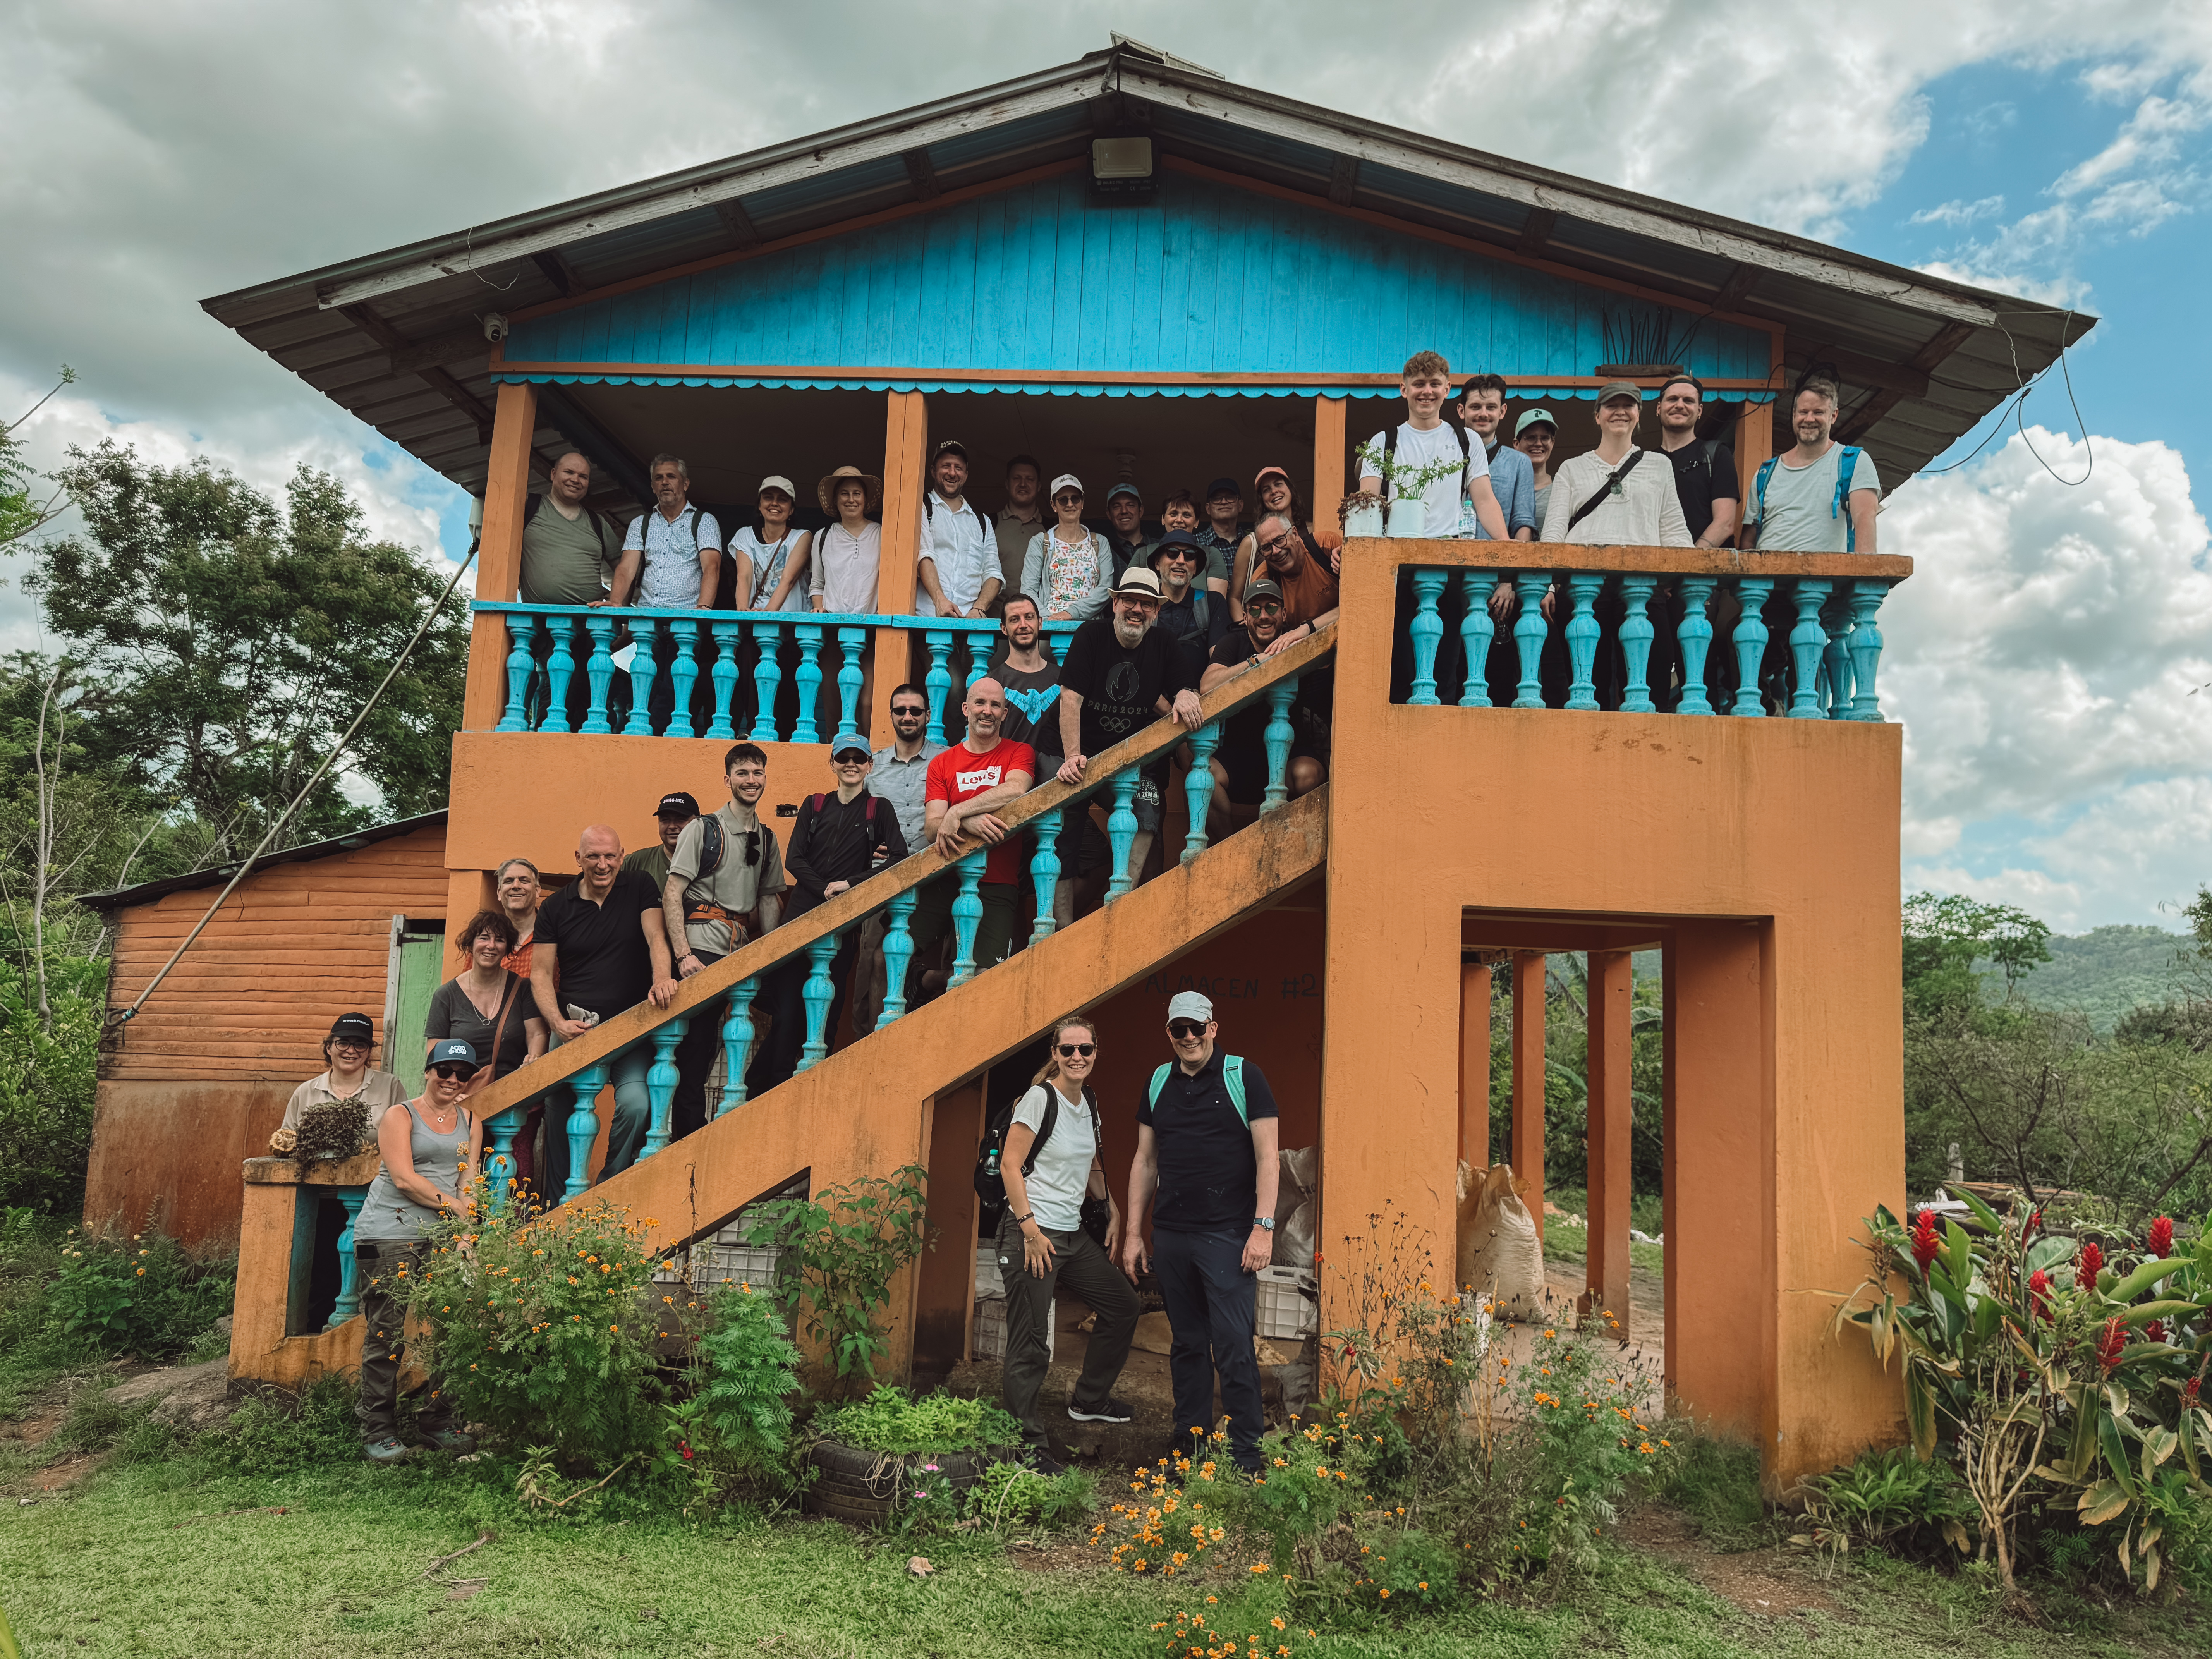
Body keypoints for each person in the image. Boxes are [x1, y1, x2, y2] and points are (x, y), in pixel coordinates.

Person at [1120, 993, 1279, 1475]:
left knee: (1232, 1344)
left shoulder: (1243, 1077)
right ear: (1168, 1033)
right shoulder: (1159, 1080)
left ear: (1213, 1027)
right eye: (1178, 1030)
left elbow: (1268, 1157)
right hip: (1172, 1234)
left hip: (1229, 1236)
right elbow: (1145, 1160)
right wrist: (1134, 1233)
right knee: (1187, 1344)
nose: (1188, 1037)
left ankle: (1246, 1455)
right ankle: (1188, 1449)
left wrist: (1263, 1228)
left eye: (1196, 1028)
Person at [998, 1014, 1139, 1463]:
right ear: (1055, 1054)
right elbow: (1009, 1166)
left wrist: (1110, 1204)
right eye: (1068, 1050)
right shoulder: (1040, 1100)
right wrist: (1030, 1229)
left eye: (1085, 1050)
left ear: (1096, 1052)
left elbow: (1090, 1161)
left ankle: (1090, 1400)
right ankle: (1025, 1445)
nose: (1077, 1057)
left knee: (1122, 1305)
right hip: (1032, 1231)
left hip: (1071, 1234)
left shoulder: (1089, 1101)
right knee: (1032, 1340)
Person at [354, 1037, 484, 1464]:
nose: (452, 1080)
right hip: (391, 1235)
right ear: (428, 1071)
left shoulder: (470, 1120)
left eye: (462, 1074)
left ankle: (439, 1421)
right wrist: (459, 1212)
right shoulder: (400, 1115)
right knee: (386, 1333)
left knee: (455, 1327)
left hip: (445, 1236)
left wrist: (467, 1234)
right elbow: (406, 1179)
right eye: (445, 1071)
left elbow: (470, 1181)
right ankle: (379, 1429)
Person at [529, 825, 677, 1195]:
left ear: (622, 856)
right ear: (578, 859)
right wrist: (558, 1024)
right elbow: (541, 974)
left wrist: (662, 978)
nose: (602, 864)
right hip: (575, 1028)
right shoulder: (555, 907)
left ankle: (609, 1188)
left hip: (633, 1026)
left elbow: (657, 937)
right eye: (593, 856)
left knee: (638, 1104)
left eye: (610, 856)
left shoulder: (640, 885)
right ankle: (556, 1204)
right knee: (559, 1113)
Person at [765, 738, 910, 1079]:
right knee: (786, 1015)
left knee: (827, 1014)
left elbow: (900, 859)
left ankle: (812, 1080)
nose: (851, 763)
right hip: (799, 921)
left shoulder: (879, 808)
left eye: (858, 758)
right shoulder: (814, 805)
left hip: (843, 926)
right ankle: (772, 1085)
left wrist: (850, 884)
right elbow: (794, 860)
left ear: (869, 766)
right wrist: (824, 890)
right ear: (832, 764)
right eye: (843, 757)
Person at [1056, 568, 1204, 888]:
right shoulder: (1091, 635)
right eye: (1129, 601)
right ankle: (1062, 929)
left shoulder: (1164, 643)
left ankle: (1120, 903)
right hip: (1077, 756)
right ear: (1114, 604)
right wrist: (1072, 756)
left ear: (1157, 611)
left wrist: (1183, 694)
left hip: (1129, 760)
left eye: (1146, 603)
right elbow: (1070, 700)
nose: (1137, 609)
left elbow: (1185, 687)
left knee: (1148, 815)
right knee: (1064, 845)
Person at [665, 744, 791, 1108]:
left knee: (789, 1009)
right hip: (703, 947)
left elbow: (769, 899)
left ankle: (753, 1093)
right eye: (742, 774)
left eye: (757, 773)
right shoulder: (703, 829)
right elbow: (673, 893)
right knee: (697, 1051)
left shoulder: (767, 837)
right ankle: (685, 1137)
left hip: (743, 951)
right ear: (728, 779)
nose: (751, 781)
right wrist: (684, 955)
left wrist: (771, 956)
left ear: (765, 778)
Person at [909, 678, 1034, 996]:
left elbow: (1016, 788)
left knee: (983, 977)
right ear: (966, 709)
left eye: (995, 706)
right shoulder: (943, 763)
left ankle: (942, 981)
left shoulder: (1019, 752)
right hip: (945, 874)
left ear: (1005, 714)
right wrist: (966, 819)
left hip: (997, 882)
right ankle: (927, 983)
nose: (987, 711)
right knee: (892, 954)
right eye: (980, 703)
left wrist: (957, 813)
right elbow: (931, 827)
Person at [997, 595, 1104, 929]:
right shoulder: (992, 683)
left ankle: (1058, 931)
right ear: (1004, 629)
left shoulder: (1065, 678)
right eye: (1015, 619)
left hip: (1061, 794)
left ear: (1041, 623)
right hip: (1013, 797)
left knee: (1100, 860)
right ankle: (1011, 958)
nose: (1023, 624)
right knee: (1006, 887)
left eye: (1030, 617)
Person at [854, 684, 945, 1033]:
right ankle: (870, 1039)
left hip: (935, 874)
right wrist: (867, 847)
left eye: (916, 711)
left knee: (950, 954)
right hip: (882, 879)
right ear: (891, 715)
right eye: (901, 710)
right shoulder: (872, 767)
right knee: (870, 962)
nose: (908, 717)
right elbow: (853, 819)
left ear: (927, 716)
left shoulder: (947, 759)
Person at [1198, 578, 1326, 827]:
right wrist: (1256, 662)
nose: (1263, 616)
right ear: (1245, 616)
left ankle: (1291, 853)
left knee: (1308, 775)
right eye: (1255, 610)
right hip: (1242, 756)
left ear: (1284, 612)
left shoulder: (1297, 641)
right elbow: (1207, 685)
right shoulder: (1234, 642)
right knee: (1205, 776)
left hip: (1291, 756)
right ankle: (1231, 852)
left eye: (1271, 607)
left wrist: (1301, 638)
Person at [1355, 351, 1508, 540]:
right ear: (1404, 389)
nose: (1427, 392)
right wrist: (1353, 544)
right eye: (1419, 384)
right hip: (1396, 549)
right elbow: (1368, 503)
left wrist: (1507, 544)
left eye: (1435, 384)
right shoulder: (1382, 442)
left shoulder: (1468, 440)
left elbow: (1485, 502)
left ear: (1447, 389)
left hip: (1451, 551)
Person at [424, 910, 547, 1128]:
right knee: (466, 1161)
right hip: (462, 1100)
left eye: (500, 940)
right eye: (484, 938)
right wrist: (450, 1091)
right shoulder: (446, 995)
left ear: (508, 948)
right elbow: (435, 1051)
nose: (491, 946)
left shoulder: (522, 988)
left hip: (513, 1099)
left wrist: (533, 1059)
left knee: (514, 1162)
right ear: (470, 944)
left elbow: (536, 1033)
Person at [1741, 377, 1880, 553]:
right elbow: (1748, 540)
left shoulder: (1854, 462)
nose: (1809, 419)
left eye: (1818, 412)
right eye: (1803, 412)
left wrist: (1865, 577)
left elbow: (1865, 519)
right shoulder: (1766, 473)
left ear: (1834, 416)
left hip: (1825, 579)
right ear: (1794, 415)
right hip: (1767, 580)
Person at [490, 858, 551, 1189]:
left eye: (525, 881)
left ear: (538, 890)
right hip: (493, 1051)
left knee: (522, 1137)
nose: (517, 886)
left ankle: (519, 1220)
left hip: (537, 1047)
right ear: (499, 892)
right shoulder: (489, 939)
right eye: (509, 881)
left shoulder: (552, 932)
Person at [274, 1012, 407, 1149]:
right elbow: (287, 1143)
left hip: (375, 1170)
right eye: (343, 1043)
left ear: (369, 1052)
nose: (351, 1051)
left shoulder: (390, 1087)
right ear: (329, 1048)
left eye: (360, 1045)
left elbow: (405, 1141)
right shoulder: (306, 1092)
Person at [1228, 466, 1342, 624]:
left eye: (1278, 484)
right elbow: (1235, 597)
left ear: (1295, 534)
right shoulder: (1252, 543)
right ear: (1262, 499)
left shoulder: (1318, 537)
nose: (1274, 491)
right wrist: (1248, 630)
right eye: (1266, 490)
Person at [611, 454, 724, 610]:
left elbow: (712, 568)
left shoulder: (704, 521)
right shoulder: (640, 524)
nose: (665, 482)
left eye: (671, 477)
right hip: (646, 616)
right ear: (653, 487)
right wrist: (615, 603)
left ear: (685, 484)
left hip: (685, 619)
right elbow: (626, 569)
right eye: (659, 478)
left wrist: (703, 608)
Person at [519, 450, 619, 606]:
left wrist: (619, 606)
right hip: (538, 621)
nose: (575, 480)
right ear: (553, 474)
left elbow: (624, 570)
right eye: (569, 472)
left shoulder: (597, 522)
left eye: (583, 477)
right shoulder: (528, 506)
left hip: (591, 624)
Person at [915, 438, 999, 620]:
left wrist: (980, 609)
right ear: (933, 471)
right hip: (929, 619)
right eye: (946, 466)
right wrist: (940, 601)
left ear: (966, 475)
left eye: (958, 468)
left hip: (970, 627)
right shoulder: (921, 508)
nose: (952, 473)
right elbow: (925, 556)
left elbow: (993, 573)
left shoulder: (982, 521)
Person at [1020, 474, 1111, 622]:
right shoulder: (1040, 542)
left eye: (1075, 498)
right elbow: (1028, 590)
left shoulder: (1100, 542)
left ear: (1082, 502)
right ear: (1054, 505)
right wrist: (1047, 620)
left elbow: (1106, 589)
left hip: (1091, 629)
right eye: (1063, 500)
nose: (1070, 504)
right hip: (1050, 629)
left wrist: (1071, 614)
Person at [1457, 377, 1537, 540]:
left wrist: (1516, 562)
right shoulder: (1446, 455)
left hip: (1495, 562)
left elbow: (1523, 522)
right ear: (1461, 411)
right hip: (1444, 559)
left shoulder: (1519, 462)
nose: (1483, 414)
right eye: (1476, 407)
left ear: (1502, 411)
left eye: (1491, 407)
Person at [1149, 529, 1228, 683]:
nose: (1181, 560)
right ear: (1157, 564)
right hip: (1152, 703)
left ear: (1195, 568)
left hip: (1202, 702)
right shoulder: (1143, 605)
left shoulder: (1213, 603)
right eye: (1172, 552)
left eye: (1190, 555)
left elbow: (1220, 663)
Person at [730, 476, 812, 614]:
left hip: (793, 623)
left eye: (782, 500)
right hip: (755, 621)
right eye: (768, 498)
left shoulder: (802, 537)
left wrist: (767, 614)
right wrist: (743, 613)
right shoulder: (745, 535)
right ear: (759, 506)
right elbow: (744, 577)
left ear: (792, 510)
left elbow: (788, 580)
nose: (775, 503)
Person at [811, 466, 883, 615]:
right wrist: (819, 610)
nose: (851, 499)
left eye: (857, 494)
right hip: (831, 627)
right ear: (835, 500)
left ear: (865, 499)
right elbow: (818, 584)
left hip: (871, 626)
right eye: (845, 494)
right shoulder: (823, 537)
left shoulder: (882, 534)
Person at [992, 455, 1045, 616]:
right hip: (995, 622)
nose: (1023, 484)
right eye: (1017, 478)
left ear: (1039, 486)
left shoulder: (1051, 530)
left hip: (1039, 623)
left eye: (1030, 479)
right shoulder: (989, 524)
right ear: (1007, 484)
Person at [623, 792, 699, 890]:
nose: (672, 826)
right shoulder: (635, 863)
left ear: (699, 822)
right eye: (665, 820)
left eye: (681, 819)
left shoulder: (713, 861)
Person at [1194, 477, 1242, 598]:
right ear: (1208, 508)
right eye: (1217, 499)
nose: (1224, 502)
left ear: (1240, 505)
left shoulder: (1254, 543)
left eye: (1230, 497)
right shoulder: (1195, 543)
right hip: (1208, 613)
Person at [1102, 483, 1157, 584]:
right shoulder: (1104, 553)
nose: (1124, 511)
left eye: (1130, 505)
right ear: (1109, 514)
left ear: (1141, 511)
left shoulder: (1160, 548)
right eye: (1117, 507)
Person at [1516, 409, 1559, 534]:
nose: (1539, 444)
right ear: (1516, 444)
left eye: (1545, 438)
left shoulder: (1562, 487)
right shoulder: (1506, 489)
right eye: (1531, 438)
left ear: (1553, 443)